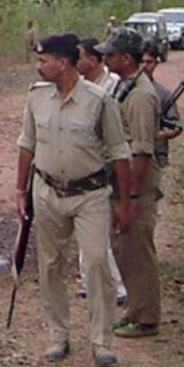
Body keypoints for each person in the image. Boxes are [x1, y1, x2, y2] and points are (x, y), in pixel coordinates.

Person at [16, 33, 132, 367]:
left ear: (63, 63)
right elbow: (27, 144)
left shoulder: (98, 101)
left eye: (44, 60)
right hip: (47, 191)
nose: (39, 66)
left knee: (96, 262)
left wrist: (124, 202)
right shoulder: (36, 97)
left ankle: (101, 341)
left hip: (90, 195)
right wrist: (20, 190)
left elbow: (119, 152)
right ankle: (58, 336)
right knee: (51, 265)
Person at [96, 28, 163, 339]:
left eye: (110, 55)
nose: (105, 59)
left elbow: (141, 150)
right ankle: (135, 309)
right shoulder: (126, 87)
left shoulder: (140, 96)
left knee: (137, 249)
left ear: (126, 58)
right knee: (125, 248)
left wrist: (130, 197)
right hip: (122, 180)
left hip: (137, 183)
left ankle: (146, 317)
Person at [74, 38, 128, 304]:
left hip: (107, 166)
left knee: (100, 232)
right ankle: (89, 281)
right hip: (86, 165)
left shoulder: (112, 86)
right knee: (87, 231)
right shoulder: (80, 86)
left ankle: (117, 287)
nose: (76, 61)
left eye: (80, 56)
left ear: (92, 60)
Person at [142, 44, 182, 168]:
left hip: (155, 155)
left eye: (149, 62)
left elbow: (176, 126)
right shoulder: (123, 89)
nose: (144, 66)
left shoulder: (164, 94)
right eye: (141, 62)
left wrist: (158, 135)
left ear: (156, 63)